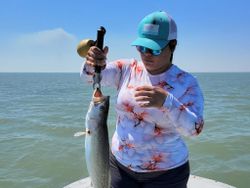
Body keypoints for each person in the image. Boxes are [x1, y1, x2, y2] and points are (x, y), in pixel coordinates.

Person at [81, 10, 204, 188]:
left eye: (154, 49)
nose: (146, 54)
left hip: (167, 174)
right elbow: (89, 78)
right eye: (141, 47)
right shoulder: (127, 68)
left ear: (173, 45)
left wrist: (167, 102)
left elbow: (194, 130)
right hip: (120, 167)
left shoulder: (187, 83)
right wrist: (93, 62)